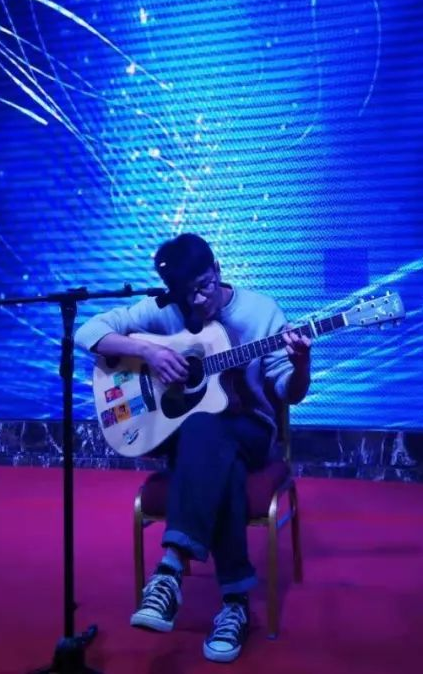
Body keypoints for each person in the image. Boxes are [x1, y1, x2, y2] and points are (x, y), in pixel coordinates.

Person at [74, 233, 311, 663]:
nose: (199, 300)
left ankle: (169, 570)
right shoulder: (166, 309)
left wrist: (301, 364)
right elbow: (88, 332)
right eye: (188, 294)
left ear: (217, 269)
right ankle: (235, 605)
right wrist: (148, 351)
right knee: (213, 447)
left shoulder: (262, 312)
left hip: (252, 430)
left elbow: (288, 392)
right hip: (197, 440)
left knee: (207, 431)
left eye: (205, 285)